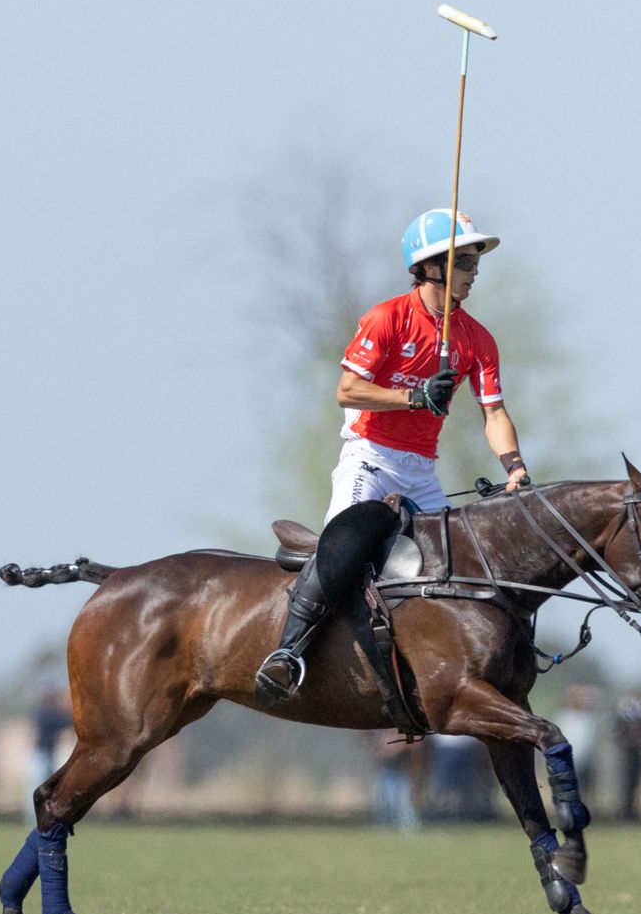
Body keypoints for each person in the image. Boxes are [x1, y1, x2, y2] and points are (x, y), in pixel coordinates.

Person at [256, 209, 531, 707]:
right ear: (432, 267)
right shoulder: (387, 319)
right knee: (339, 554)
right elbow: (347, 389)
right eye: (466, 261)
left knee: (456, 572)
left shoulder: (477, 339)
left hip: (423, 471)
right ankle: (288, 653)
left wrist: (515, 466)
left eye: (474, 262)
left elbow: (494, 412)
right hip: (371, 457)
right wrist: (414, 398)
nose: (475, 271)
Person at [25, 687, 73, 823]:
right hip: (41, 754)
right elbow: (66, 720)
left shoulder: (44, 712)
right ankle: (34, 819)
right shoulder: (44, 714)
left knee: (50, 790)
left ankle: (45, 818)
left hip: (50, 753)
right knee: (38, 787)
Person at [554, 685, 601, 800]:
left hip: (586, 760)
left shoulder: (590, 718)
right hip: (566, 760)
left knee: (585, 788)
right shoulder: (563, 717)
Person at [613, 693, 641, 821]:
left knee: (636, 783)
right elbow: (616, 735)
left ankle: (632, 810)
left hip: (638, 754)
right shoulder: (622, 720)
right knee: (626, 784)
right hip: (627, 754)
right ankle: (625, 811)